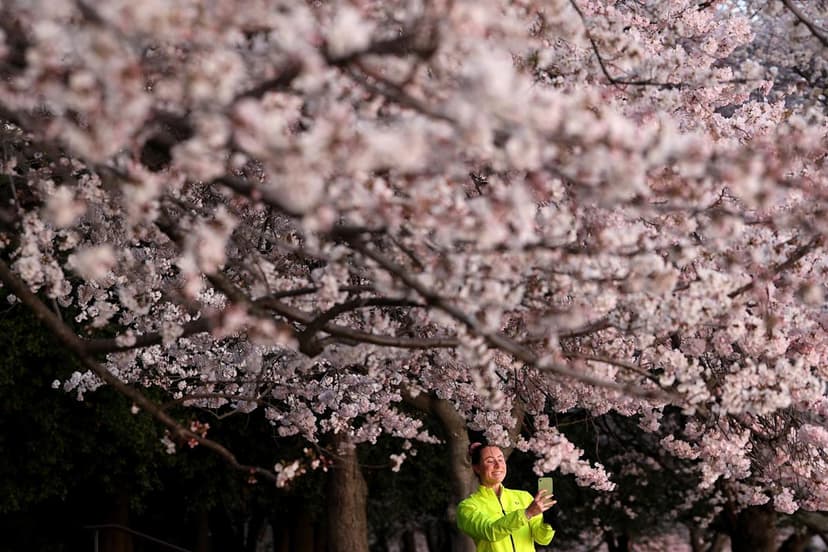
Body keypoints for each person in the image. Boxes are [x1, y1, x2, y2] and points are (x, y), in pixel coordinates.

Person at [457, 441, 556, 552]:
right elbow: (490, 532)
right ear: (477, 468)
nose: (498, 465)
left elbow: (542, 539)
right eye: (490, 461)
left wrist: (549, 521)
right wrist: (527, 514)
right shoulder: (467, 507)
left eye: (500, 459)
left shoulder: (524, 497)